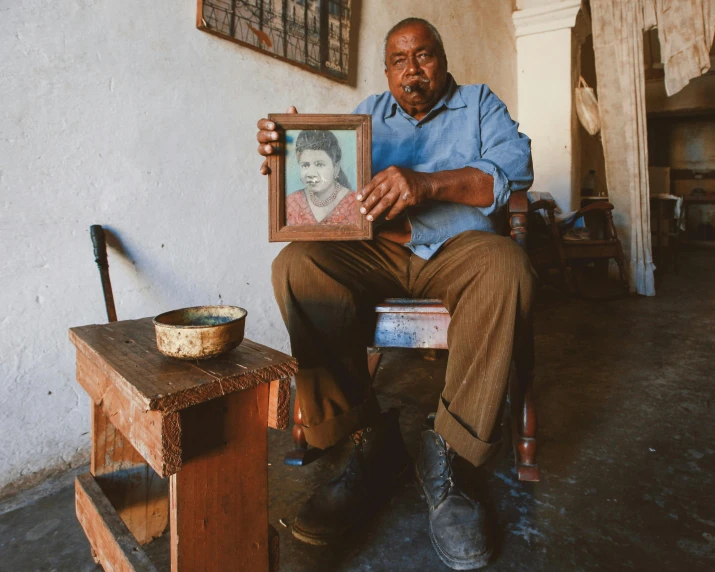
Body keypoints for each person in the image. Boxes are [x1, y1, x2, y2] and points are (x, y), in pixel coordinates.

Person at [257, 17, 534, 570]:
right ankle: (367, 438)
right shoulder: (366, 116)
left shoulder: (480, 103)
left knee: (509, 265)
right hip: (379, 252)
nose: (413, 69)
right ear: (386, 71)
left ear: (443, 60)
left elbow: (515, 169)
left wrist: (425, 183)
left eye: (424, 55)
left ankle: (450, 455)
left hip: (458, 250)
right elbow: (326, 190)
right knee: (298, 263)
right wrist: (287, 153)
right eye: (400, 60)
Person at [287, 130, 357, 226]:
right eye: (305, 165)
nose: (311, 173)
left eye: (319, 164)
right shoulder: (292, 202)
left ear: (335, 168)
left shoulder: (354, 203)